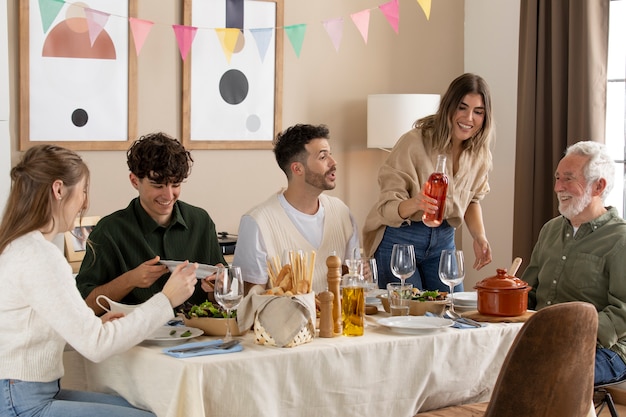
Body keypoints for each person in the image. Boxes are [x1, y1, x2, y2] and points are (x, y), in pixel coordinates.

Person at [0, 145, 198, 417]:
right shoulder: (40, 255)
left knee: (149, 409)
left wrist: (92, 324)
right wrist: (166, 300)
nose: (84, 203)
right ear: (59, 190)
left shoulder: (21, 247)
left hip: (23, 392)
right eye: (83, 191)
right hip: (22, 400)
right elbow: (97, 345)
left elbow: (40, 329)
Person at [363, 73, 494, 292]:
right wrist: (417, 203)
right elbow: (386, 208)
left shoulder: (479, 153)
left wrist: (479, 236)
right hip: (401, 239)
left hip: (444, 240)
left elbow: (472, 200)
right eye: (462, 107)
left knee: (452, 315)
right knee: (409, 316)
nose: (469, 118)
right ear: (449, 107)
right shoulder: (414, 142)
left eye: (478, 112)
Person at [75, 132, 225, 315]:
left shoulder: (201, 222)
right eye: (158, 185)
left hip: (199, 338)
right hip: (135, 340)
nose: (169, 196)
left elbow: (217, 302)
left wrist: (219, 286)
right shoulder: (109, 231)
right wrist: (130, 280)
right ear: (134, 181)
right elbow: (84, 307)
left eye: (175, 184)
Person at [522, 141, 626, 386]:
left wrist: (566, 333)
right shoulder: (550, 230)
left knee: (549, 374)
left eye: (568, 179)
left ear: (598, 185)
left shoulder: (620, 240)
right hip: (542, 339)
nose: (558, 187)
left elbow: (622, 312)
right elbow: (529, 292)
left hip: (605, 350)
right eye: (558, 178)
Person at [233, 124, 360, 294]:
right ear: (297, 169)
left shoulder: (342, 212)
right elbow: (250, 298)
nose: (333, 162)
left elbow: (351, 276)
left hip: (338, 319)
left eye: (330, 154)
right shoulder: (258, 221)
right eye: (323, 157)